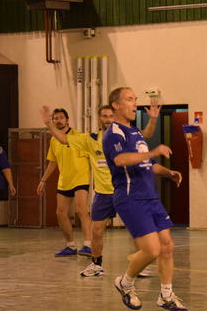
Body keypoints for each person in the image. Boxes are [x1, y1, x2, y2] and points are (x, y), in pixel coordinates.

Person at [40, 101, 159, 276]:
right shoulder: (91, 139)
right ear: (99, 118)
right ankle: (96, 265)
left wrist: (153, 119)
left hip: (125, 191)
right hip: (103, 193)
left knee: (135, 229)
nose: (108, 119)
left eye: (111, 116)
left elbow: (147, 133)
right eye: (104, 116)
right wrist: (48, 124)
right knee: (96, 230)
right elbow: (64, 138)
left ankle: (142, 266)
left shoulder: (126, 135)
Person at [103, 87, 188, 311]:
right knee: (151, 250)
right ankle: (125, 283)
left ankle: (166, 295)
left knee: (167, 245)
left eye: (135, 100)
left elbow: (145, 163)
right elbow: (121, 160)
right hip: (131, 198)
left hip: (150, 196)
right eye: (129, 100)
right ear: (116, 106)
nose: (134, 104)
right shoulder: (113, 133)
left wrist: (168, 173)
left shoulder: (135, 132)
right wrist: (153, 152)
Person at [36, 108, 93, 257]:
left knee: (82, 209)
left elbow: (91, 158)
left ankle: (88, 245)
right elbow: (52, 162)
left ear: (67, 120)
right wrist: (43, 180)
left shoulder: (79, 137)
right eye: (55, 118)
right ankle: (71, 246)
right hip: (64, 180)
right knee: (60, 213)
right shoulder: (54, 140)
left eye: (61, 118)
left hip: (81, 178)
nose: (58, 120)